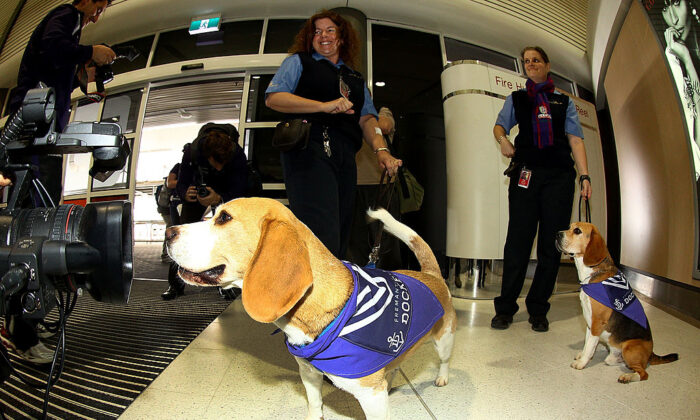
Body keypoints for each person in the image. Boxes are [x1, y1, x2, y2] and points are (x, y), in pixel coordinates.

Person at [1, 0, 115, 365]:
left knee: (39, 220)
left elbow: (57, 61)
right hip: (31, 130)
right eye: (100, 4)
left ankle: (25, 323)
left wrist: (86, 75)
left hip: (43, 133)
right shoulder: (65, 16)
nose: (99, 13)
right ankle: (22, 333)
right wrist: (90, 51)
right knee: (30, 231)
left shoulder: (73, 25)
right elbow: (53, 48)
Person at [265, 10, 402, 259]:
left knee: (341, 229)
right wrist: (323, 106)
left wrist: (382, 150)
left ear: (341, 37)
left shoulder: (356, 79)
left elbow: (367, 119)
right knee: (319, 228)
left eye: (330, 30)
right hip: (309, 146)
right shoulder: (299, 62)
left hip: (345, 154)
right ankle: (314, 292)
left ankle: (331, 291)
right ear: (310, 38)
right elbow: (274, 98)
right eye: (316, 31)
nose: (323, 35)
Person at [490, 46, 592, 333]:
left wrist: (585, 176)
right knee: (518, 242)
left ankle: (538, 309)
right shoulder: (518, 98)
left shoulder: (564, 102)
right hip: (526, 174)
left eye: (536, 60)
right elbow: (499, 126)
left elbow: (576, 140)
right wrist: (503, 140)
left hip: (559, 178)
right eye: (526, 61)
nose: (530, 64)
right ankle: (505, 308)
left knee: (551, 245)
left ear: (547, 65)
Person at [161, 123, 247, 300]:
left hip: (224, 193)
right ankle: (175, 285)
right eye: (216, 164)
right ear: (206, 156)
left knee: (226, 234)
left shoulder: (237, 154)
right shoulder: (193, 152)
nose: (219, 169)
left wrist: (219, 198)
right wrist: (186, 193)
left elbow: (241, 188)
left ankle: (225, 283)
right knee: (180, 236)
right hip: (197, 194)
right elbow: (182, 181)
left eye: (224, 164)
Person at [346, 106, 402, 269]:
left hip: (381, 187)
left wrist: (365, 117)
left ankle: (391, 279)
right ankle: (360, 279)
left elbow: (384, 126)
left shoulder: (383, 112)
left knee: (386, 241)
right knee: (356, 241)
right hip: (354, 187)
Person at [662, 0, 700, 179]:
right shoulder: (674, 61)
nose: (674, 19)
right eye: (665, 9)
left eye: (676, 3)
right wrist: (685, 59)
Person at [157, 163, 180, 262]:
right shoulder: (178, 169)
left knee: (172, 229)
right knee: (171, 229)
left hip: (167, 207)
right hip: (168, 208)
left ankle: (168, 254)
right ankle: (166, 254)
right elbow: (170, 184)